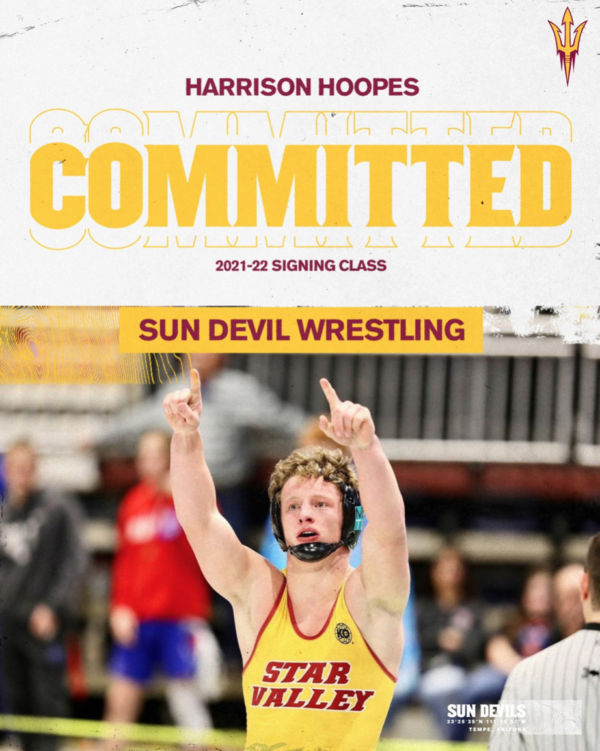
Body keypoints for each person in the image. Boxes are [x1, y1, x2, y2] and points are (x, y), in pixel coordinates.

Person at [163, 372, 410, 751]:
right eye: (293, 506)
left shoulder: (370, 599)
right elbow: (201, 521)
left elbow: (390, 531)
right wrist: (185, 438)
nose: (304, 514)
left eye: (321, 504)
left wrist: (366, 446)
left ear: (350, 516)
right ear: (278, 523)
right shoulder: (258, 591)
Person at [104, 430, 216, 745]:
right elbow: (124, 563)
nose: (147, 464)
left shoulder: (192, 497)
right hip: (138, 619)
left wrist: (178, 498)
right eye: (143, 457)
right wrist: (119, 607)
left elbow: (209, 551)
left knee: (187, 704)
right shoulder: (133, 502)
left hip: (180, 618)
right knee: (120, 700)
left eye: (154, 456)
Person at [0, 441, 88, 751]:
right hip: (9, 623)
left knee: (46, 702)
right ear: (6, 471)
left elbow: (74, 562)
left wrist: (52, 607)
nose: (21, 474)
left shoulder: (57, 507)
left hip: (43, 622)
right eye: (15, 468)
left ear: (36, 468)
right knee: (18, 701)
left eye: (27, 467)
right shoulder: (6, 513)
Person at [489, 534, 600, 750]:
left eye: (573, 597)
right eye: (564, 598)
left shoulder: (529, 674)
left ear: (584, 588)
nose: (571, 607)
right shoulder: (535, 660)